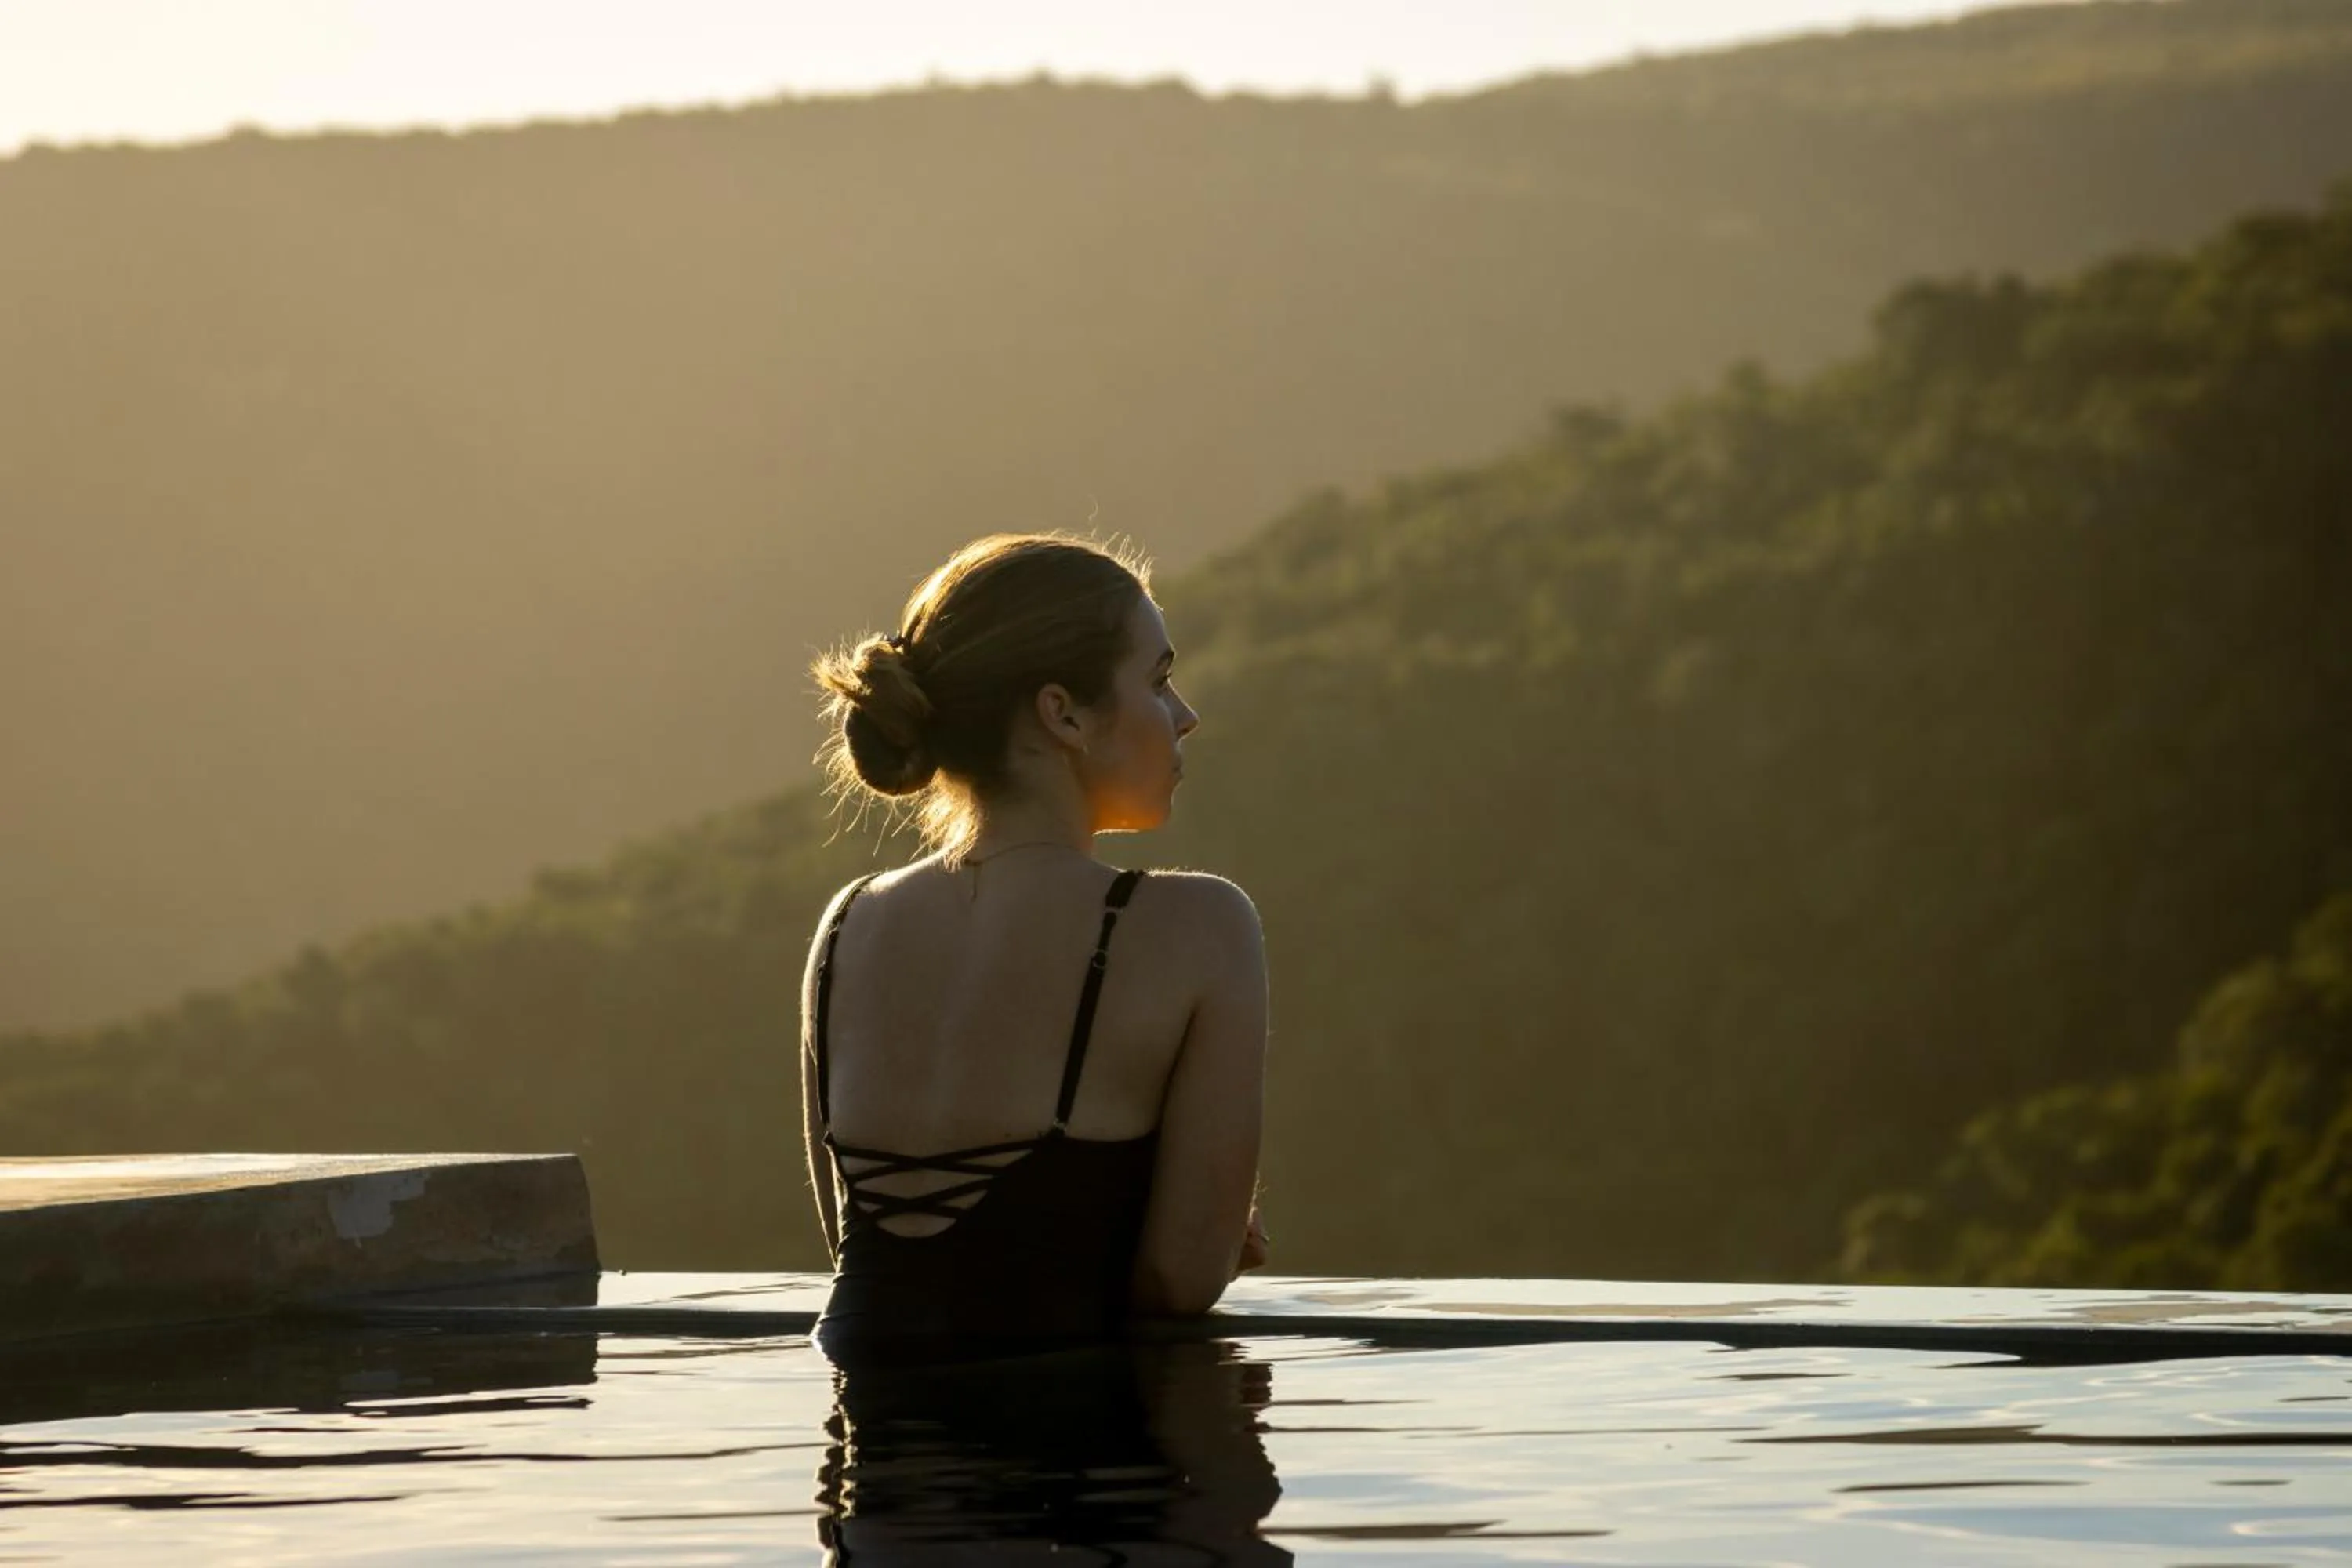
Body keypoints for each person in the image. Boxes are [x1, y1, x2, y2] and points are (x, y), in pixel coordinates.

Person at [801, 532, 1270, 1363]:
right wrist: (1217, 1223)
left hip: (867, 1472)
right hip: (1065, 1468)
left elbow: (868, 1258)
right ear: (1062, 712)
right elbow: (1177, 1278)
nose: (1185, 714)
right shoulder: (1199, 926)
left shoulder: (848, 925)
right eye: (1158, 680)